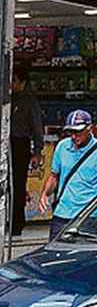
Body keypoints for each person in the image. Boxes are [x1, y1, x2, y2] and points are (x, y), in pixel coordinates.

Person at [40, 110, 97, 241]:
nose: (74, 136)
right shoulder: (62, 147)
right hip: (63, 214)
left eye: (78, 132)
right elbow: (54, 176)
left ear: (90, 129)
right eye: (71, 132)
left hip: (91, 216)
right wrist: (45, 194)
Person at [10, 67, 43, 236]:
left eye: (14, 80)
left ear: (22, 82)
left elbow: (37, 127)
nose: (11, 84)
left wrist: (37, 151)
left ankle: (17, 222)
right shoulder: (7, 99)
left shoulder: (29, 101)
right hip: (7, 144)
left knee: (18, 185)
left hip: (20, 144)